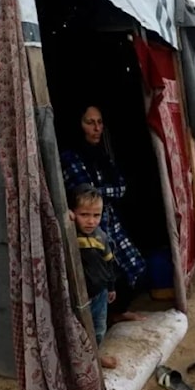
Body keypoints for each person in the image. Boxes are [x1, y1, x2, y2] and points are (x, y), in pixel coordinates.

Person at [60, 105, 146, 321]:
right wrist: (101, 193)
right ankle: (103, 324)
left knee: (129, 264)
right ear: (78, 125)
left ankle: (116, 313)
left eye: (99, 122)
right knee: (97, 275)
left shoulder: (102, 156)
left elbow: (121, 187)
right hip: (89, 225)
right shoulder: (70, 157)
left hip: (108, 220)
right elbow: (83, 191)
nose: (96, 128)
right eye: (90, 123)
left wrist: (99, 192)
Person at [69, 184, 118, 370]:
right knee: (79, 331)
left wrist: (111, 287)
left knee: (99, 328)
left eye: (96, 215)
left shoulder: (101, 237)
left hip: (100, 293)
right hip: (80, 296)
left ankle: (95, 356)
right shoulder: (70, 234)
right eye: (84, 215)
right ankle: (82, 362)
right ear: (74, 213)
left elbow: (109, 263)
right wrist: (67, 218)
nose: (91, 221)